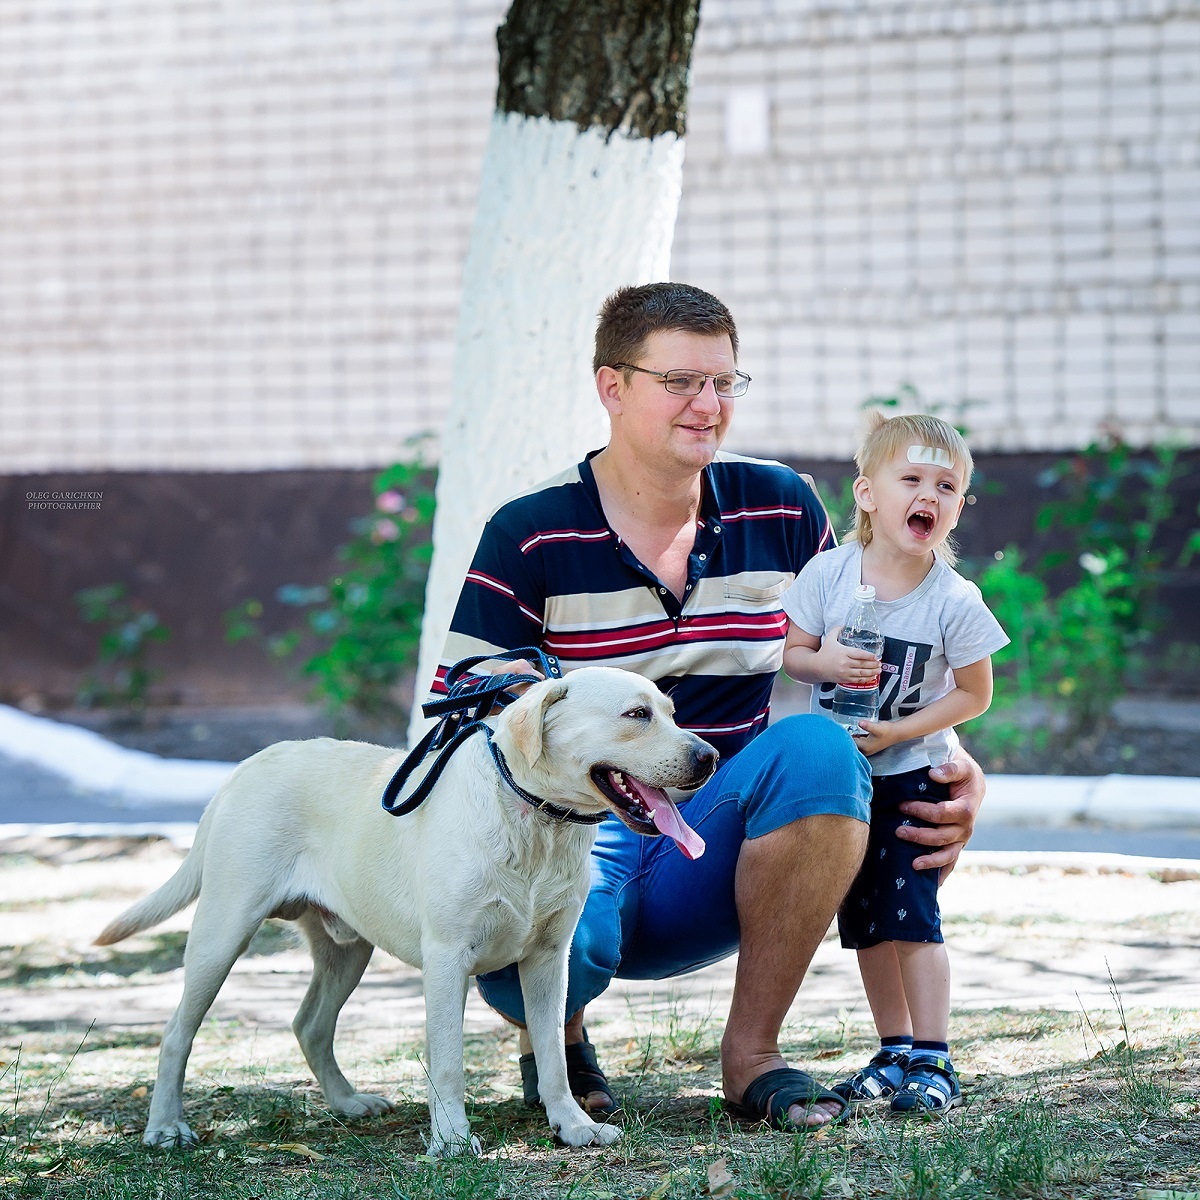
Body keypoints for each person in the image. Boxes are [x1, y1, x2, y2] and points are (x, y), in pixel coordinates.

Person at [433, 282, 986, 1129]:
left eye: (725, 383)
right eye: (682, 382)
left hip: (719, 830)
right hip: (581, 839)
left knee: (820, 751)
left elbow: (870, 647)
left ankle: (752, 1058)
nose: (709, 405)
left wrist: (947, 757)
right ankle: (560, 1035)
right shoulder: (532, 529)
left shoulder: (782, 504)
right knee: (558, 955)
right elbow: (465, 704)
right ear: (612, 387)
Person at [781, 411, 1008, 1114]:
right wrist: (826, 661)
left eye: (947, 486)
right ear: (868, 494)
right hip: (846, 778)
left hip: (912, 774)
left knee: (913, 917)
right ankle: (894, 1049)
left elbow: (974, 694)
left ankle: (936, 1058)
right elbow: (793, 654)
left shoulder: (954, 600)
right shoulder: (828, 574)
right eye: (911, 478)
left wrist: (901, 729)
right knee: (867, 924)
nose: (929, 495)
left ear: (958, 509)